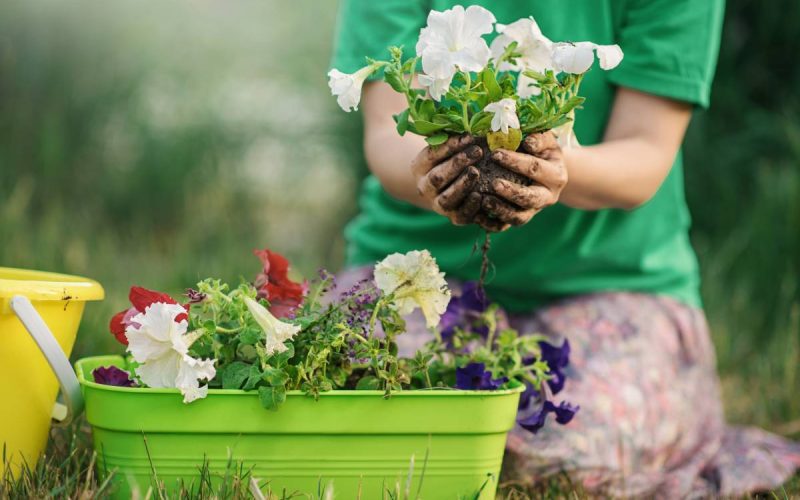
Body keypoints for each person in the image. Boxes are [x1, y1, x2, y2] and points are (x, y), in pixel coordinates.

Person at [330, 0, 800, 497]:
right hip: (420, 272)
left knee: (565, 456)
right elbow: (387, 132)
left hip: (609, 283)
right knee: (366, 409)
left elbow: (645, 148)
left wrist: (558, 167)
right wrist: (441, 169)